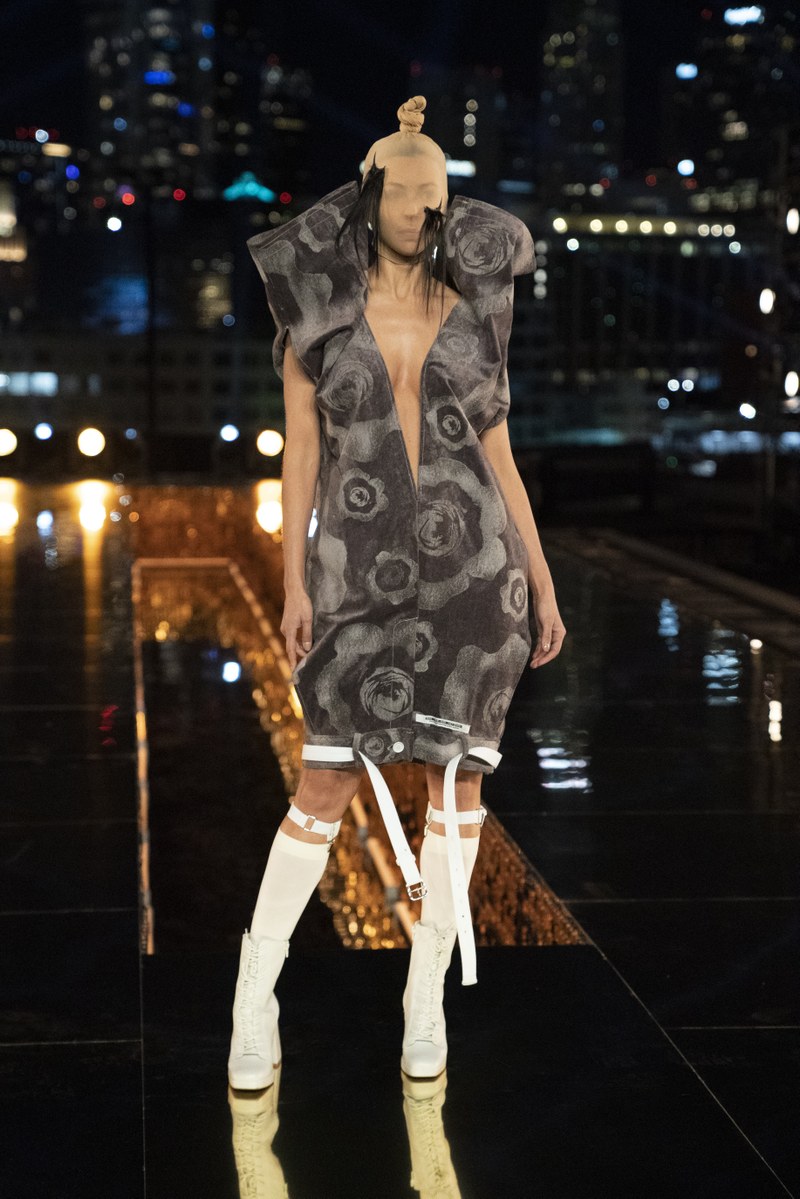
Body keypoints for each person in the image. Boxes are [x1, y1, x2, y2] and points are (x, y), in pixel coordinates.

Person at [228, 96, 566, 1091]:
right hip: (355, 572)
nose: (421, 209)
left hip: (476, 581)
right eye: (404, 190)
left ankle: (426, 999)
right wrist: (291, 576)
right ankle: (253, 998)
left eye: (436, 193)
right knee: (324, 781)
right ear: (367, 195)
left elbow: (500, 454)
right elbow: (299, 453)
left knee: (456, 786)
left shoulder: (476, 312)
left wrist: (540, 579)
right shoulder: (317, 316)